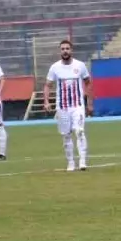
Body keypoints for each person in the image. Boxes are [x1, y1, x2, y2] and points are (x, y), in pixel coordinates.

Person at [43, 40, 94, 172]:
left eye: (67, 48)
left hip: (77, 105)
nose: (65, 51)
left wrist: (89, 103)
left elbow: (88, 83)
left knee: (80, 131)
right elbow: (48, 85)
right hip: (62, 107)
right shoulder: (55, 67)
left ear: (71, 50)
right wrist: (46, 101)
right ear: (60, 51)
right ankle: (71, 162)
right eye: (63, 49)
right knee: (66, 135)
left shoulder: (80, 65)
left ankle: (82, 161)